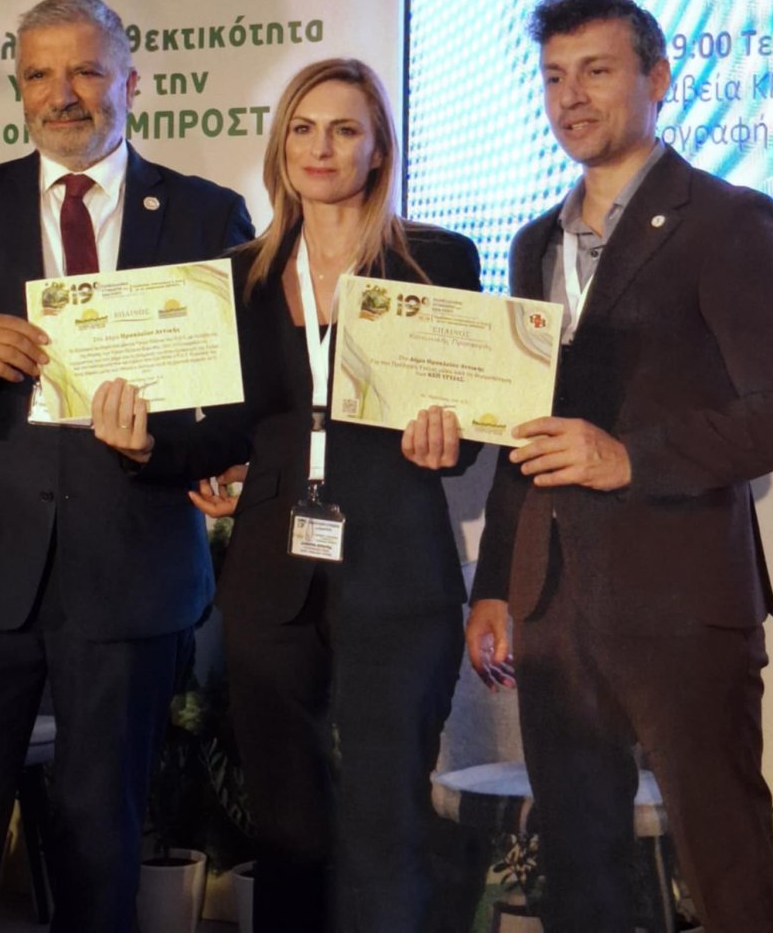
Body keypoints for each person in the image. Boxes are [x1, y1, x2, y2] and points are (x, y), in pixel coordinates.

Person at [466, 0, 773, 933]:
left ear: (658, 79)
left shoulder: (729, 220)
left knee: (728, 870)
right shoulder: (532, 242)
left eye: (597, 71)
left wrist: (630, 458)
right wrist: (495, 586)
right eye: (553, 77)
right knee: (580, 875)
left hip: (684, 601)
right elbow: (523, 427)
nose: (570, 97)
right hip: (551, 608)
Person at [99, 57, 481, 932]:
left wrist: (451, 438)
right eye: (304, 129)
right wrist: (146, 448)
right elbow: (228, 433)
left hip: (397, 569)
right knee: (287, 824)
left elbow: (467, 419)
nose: (322, 147)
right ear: (280, 148)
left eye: (345, 130)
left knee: (388, 815)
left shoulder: (435, 260)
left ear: (379, 149)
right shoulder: (239, 275)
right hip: (271, 575)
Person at [0, 0, 254, 933]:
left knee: (102, 836)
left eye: (85, 70)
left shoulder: (207, 213)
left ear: (131, 82)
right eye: (39, 74)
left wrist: (161, 447)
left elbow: (238, 405)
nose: (61, 94)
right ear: (17, 88)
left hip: (130, 567)